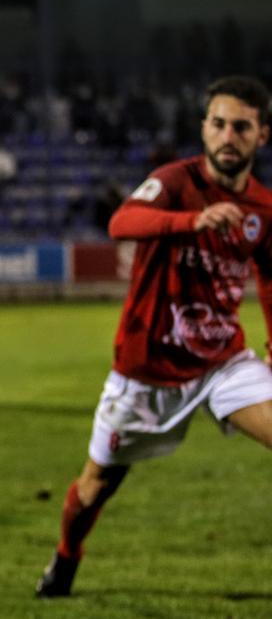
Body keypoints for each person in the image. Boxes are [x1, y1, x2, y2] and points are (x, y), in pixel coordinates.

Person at [35, 76, 272, 598]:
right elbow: (123, 222)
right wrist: (193, 220)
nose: (228, 135)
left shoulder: (263, 209)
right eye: (218, 124)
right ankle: (67, 556)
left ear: (262, 135)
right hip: (146, 373)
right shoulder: (174, 181)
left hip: (221, 362)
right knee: (96, 486)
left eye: (241, 126)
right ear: (204, 128)